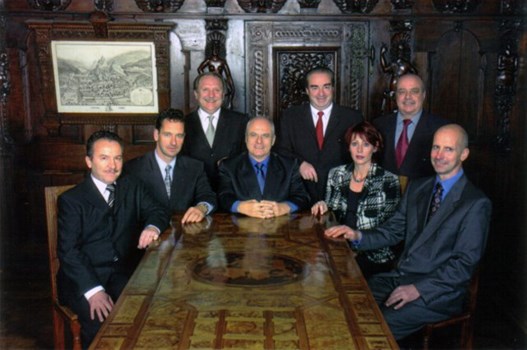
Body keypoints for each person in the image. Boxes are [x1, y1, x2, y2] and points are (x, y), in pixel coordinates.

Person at [324, 124, 491, 341]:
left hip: (436, 293)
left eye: (448, 149)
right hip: (399, 278)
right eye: (435, 148)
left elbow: (463, 266)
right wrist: (358, 236)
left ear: (464, 154)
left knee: (374, 325)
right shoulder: (418, 187)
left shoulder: (475, 203)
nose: (439, 155)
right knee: (342, 302)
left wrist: (417, 289)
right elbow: (393, 231)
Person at [57, 130, 170, 348]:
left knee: (152, 314)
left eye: (117, 158)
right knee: (101, 323)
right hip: (84, 279)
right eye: (104, 158)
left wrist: (152, 226)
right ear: (89, 161)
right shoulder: (71, 200)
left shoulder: (131, 186)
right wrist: (94, 291)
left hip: (124, 274)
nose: (113, 165)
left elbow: (158, 211)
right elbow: (68, 252)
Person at [311, 121, 400, 278]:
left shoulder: (388, 181)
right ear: (348, 147)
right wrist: (323, 205)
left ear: (376, 147)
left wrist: (356, 239)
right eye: (354, 144)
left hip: (373, 255)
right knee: (311, 271)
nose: (359, 150)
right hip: (339, 248)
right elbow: (331, 216)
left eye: (365, 144)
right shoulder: (336, 174)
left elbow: (389, 231)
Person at [276, 67, 362, 204]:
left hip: (340, 197)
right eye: (315, 87)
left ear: (333, 88)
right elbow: (281, 151)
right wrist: (300, 164)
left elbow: (361, 156)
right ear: (307, 91)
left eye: (326, 87)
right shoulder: (290, 117)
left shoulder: (352, 118)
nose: (321, 93)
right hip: (300, 196)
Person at [125, 108, 216, 223]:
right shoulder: (133, 169)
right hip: (147, 236)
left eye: (179, 136)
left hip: (186, 235)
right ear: (156, 135)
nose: (174, 142)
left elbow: (209, 196)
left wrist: (202, 208)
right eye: (168, 135)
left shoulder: (195, 167)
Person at [218, 116, 310, 218]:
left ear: (273, 140)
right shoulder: (228, 166)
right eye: (253, 135)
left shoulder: (289, 165)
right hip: (240, 228)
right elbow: (223, 197)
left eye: (265, 136)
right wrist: (240, 207)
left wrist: (285, 207)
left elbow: (302, 197)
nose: (259, 141)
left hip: (280, 228)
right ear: (246, 138)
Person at [373, 74, 449, 181]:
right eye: (402, 92)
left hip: (423, 195)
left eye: (414, 91)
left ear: (423, 95)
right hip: (384, 194)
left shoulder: (441, 128)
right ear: (396, 96)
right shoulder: (379, 125)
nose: (408, 96)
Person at [182, 72, 249, 190]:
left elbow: (249, 159)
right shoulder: (183, 124)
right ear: (196, 94)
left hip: (232, 193)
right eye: (205, 90)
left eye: (216, 90)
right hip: (194, 196)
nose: (211, 95)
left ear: (223, 94)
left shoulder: (241, 122)